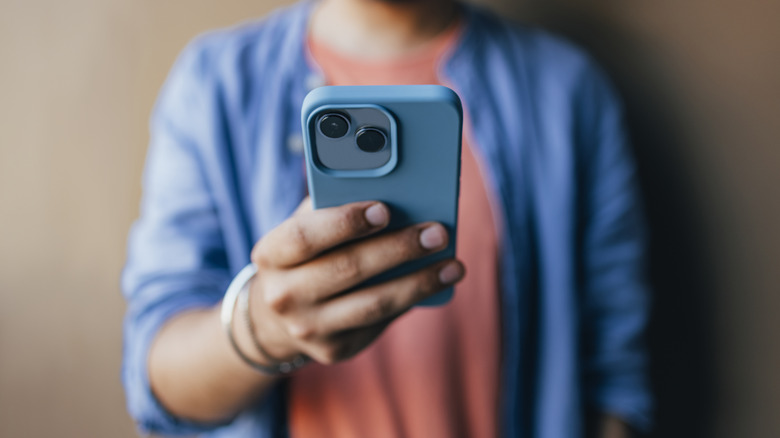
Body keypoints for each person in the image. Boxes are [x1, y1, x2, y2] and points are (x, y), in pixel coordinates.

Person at [121, 0, 652, 436]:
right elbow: (156, 376)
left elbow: (614, 378)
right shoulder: (213, 86)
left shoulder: (568, 93)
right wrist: (263, 326)